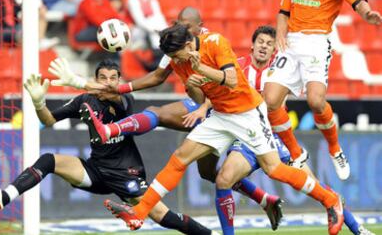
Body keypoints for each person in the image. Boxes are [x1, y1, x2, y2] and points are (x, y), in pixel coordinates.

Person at [81, 24, 344, 234]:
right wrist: (121, 88)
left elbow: (230, 80)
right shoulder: (180, 57)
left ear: (187, 45)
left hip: (247, 113)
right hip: (219, 115)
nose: (174, 61)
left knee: (273, 168)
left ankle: (330, 200)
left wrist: (201, 68)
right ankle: (138, 215)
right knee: (180, 158)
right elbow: (160, 79)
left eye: (177, 55)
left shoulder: (215, 43)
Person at [0, 59, 219, 235]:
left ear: (119, 81)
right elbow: (49, 120)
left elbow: (115, 96)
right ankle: (3, 197)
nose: (108, 83)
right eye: (102, 78)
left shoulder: (125, 100)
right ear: (96, 79)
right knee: (49, 160)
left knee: (164, 217)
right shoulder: (85, 100)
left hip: (127, 173)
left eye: (113, 78)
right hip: (96, 171)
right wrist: (39, 102)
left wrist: (77, 81)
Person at [264, 0, 382, 181]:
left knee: (316, 102)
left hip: (316, 43)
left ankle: (335, 149)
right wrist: (280, 32)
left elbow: (357, 1)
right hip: (290, 43)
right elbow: (284, 11)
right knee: (270, 101)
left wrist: (367, 14)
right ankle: (296, 154)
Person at [127, 0, 167, 71]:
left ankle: (160, 57)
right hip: (138, 28)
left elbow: (159, 15)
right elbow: (139, 19)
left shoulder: (153, 0)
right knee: (154, 34)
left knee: (161, 30)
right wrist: (154, 30)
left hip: (153, 25)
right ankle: (157, 58)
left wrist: (164, 30)